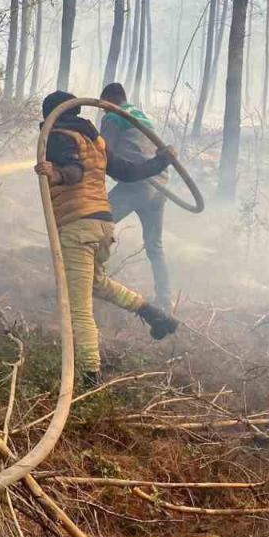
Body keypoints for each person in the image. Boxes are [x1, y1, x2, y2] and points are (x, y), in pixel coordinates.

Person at [34, 91, 180, 386]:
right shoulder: (94, 140)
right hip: (102, 225)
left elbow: (73, 171)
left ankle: (90, 377)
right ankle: (156, 316)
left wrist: (57, 174)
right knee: (97, 284)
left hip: (77, 228)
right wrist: (161, 160)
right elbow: (128, 172)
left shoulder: (59, 137)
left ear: (50, 116)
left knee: (78, 309)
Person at [98, 82, 172, 309]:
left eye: (104, 105)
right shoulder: (140, 115)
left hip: (137, 184)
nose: (104, 110)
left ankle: (92, 281)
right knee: (154, 246)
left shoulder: (113, 116)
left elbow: (103, 152)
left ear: (110, 99)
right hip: (159, 186)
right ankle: (165, 301)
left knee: (97, 224)